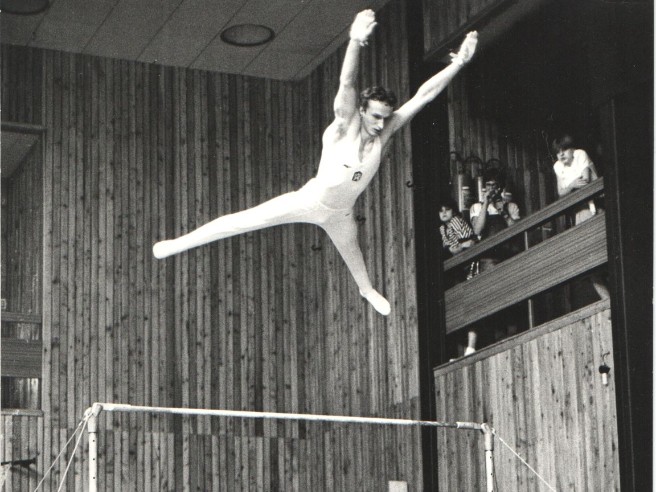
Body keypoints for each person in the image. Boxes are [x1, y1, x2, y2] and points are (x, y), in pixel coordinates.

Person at [153, 10, 478, 316]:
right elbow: (347, 83)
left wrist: (459, 63)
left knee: (354, 256)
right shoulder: (344, 125)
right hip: (309, 201)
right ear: (362, 110)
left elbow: (424, 95)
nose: (381, 124)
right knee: (243, 221)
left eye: (385, 118)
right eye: (375, 117)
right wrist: (355, 40)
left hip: (341, 214)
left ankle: (366, 291)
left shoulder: (386, 130)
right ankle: (177, 244)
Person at [552, 134, 609, 299]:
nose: (561, 154)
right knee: (589, 261)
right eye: (558, 152)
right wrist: (571, 185)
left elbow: (585, 180)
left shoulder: (580, 154)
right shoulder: (558, 166)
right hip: (580, 212)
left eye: (564, 150)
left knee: (605, 252)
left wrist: (571, 188)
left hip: (596, 206)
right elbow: (561, 192)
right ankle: (607, 300)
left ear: (572, 149)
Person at [469, 167, 520, 273]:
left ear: (501, 187)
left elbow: (516, 230)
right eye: (488, 184)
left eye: (495, 185)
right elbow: (477, 230)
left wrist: (503, 212)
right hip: (487, 257)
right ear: (484, 187)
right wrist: (486, 204)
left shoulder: (511, 206)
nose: (491, 188)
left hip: (509, 256)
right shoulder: (477, 207)